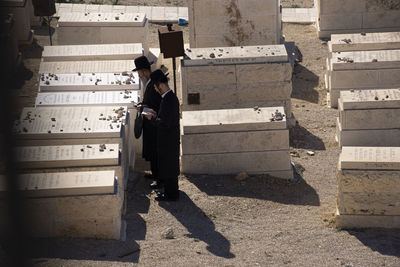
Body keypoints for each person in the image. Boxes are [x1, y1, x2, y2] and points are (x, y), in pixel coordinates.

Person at [144, 69, 180, 201]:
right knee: (168, 166)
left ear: (160, 85)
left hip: (168, 140)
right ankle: (171, 192)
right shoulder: (169, 98)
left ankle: (171, 195)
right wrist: (155, 115)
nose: (155, 89)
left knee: (169, 167)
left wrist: (151, 118)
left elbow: (164, 123)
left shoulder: (169, 100)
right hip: (169, 139)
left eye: (155, 86)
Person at [133, 56, 162, 189]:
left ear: (144, 71)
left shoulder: (153, 84)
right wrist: (143, 104)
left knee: (155, 151)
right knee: (151, 150)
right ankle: (155, 173)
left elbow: (156, 106)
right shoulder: (150, 83)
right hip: (149, 124)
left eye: (139, 72)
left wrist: (143, 108)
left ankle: (158, 177)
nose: (138, 75)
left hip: (153, 124)